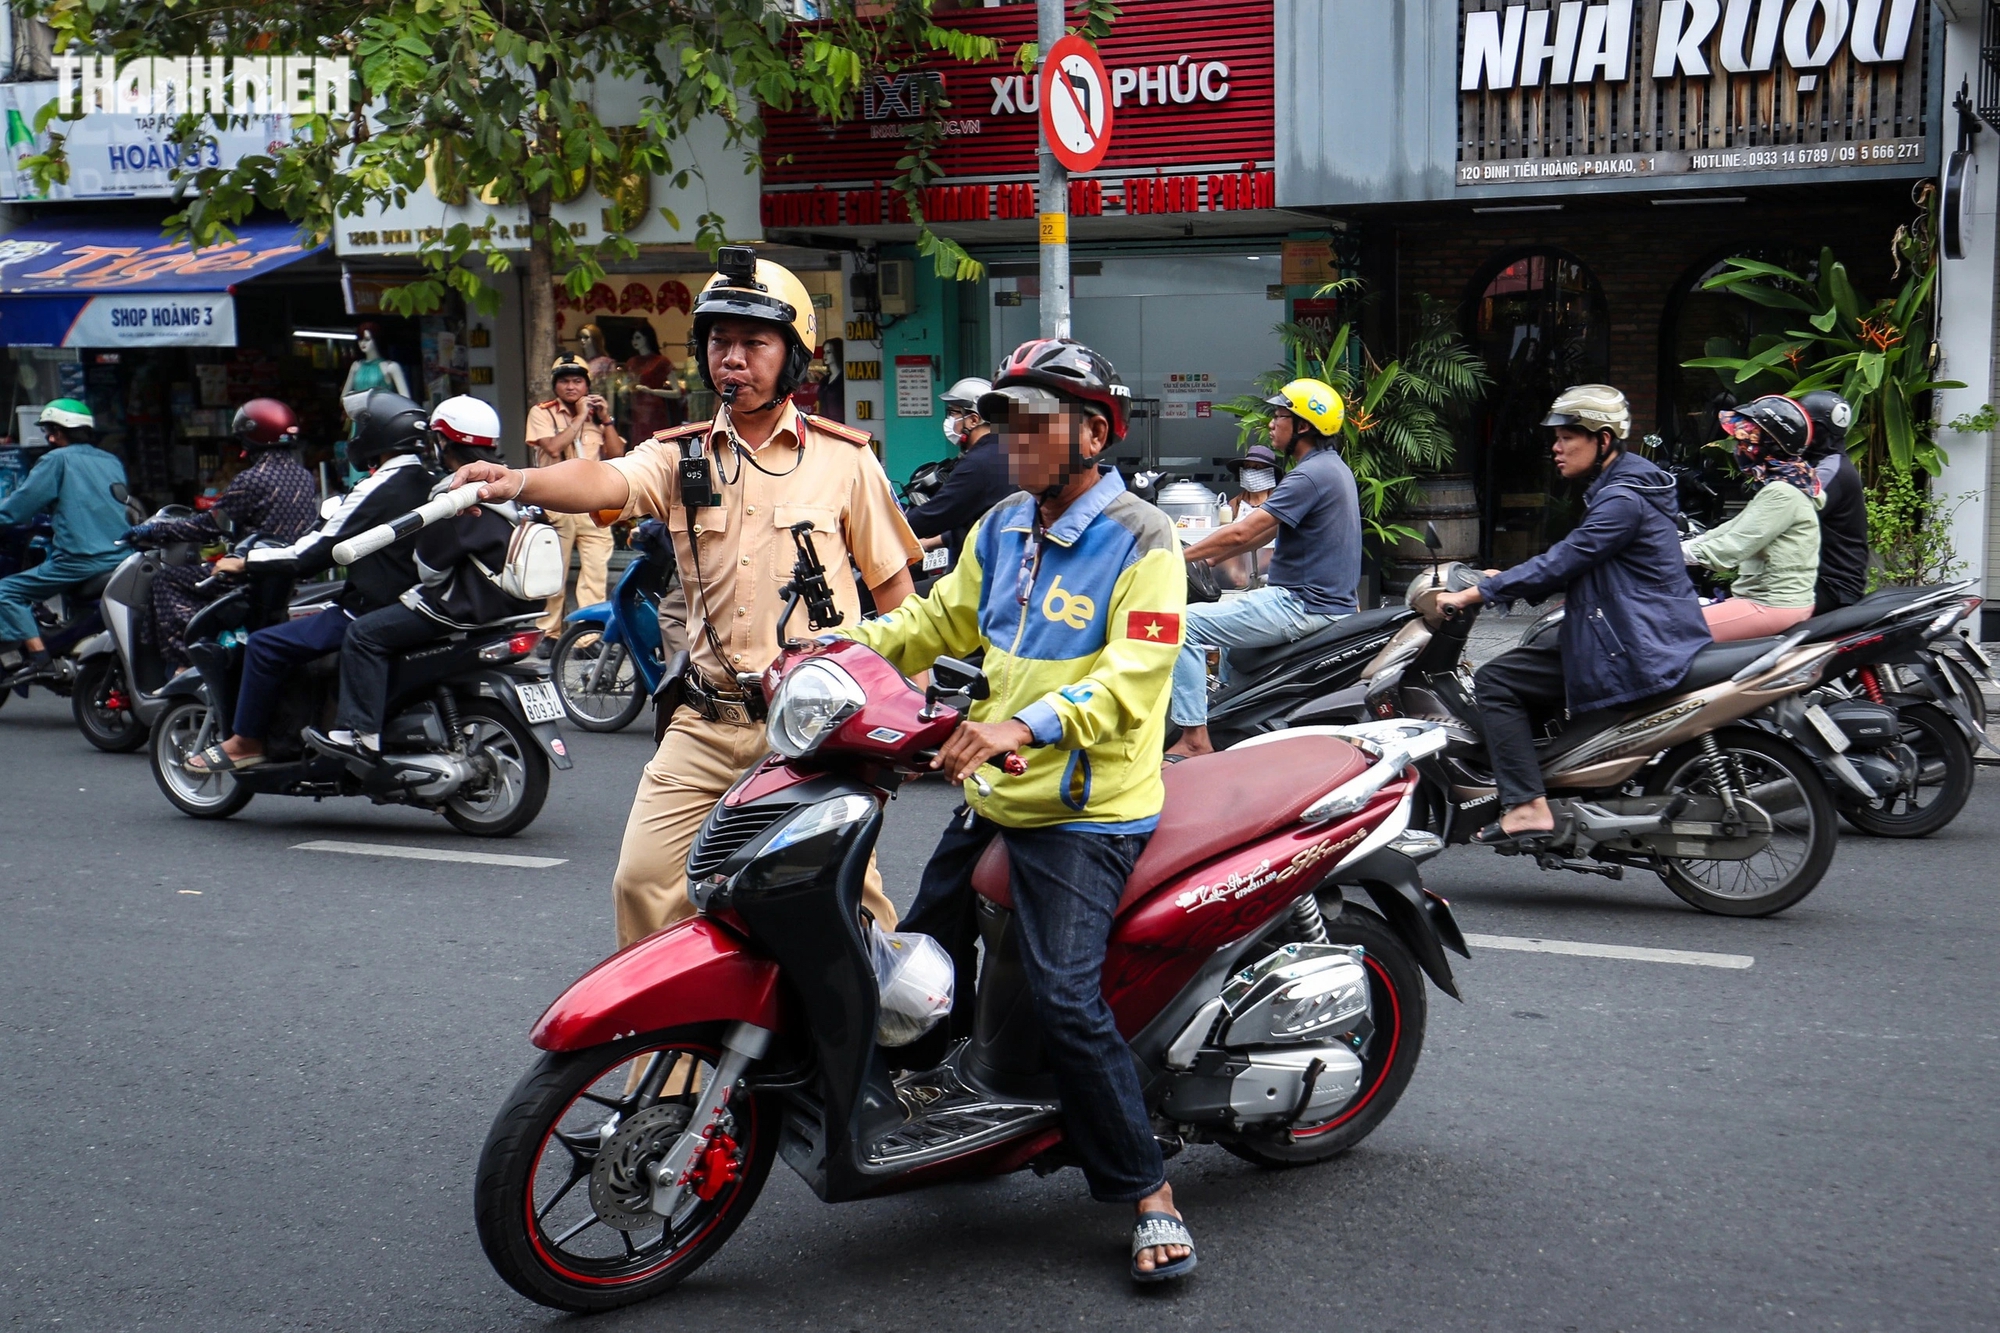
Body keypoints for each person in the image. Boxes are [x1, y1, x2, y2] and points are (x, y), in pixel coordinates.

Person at [835, 337, 1196, 1282]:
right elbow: (934, 621)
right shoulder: (1001, 526)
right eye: (1004, 420)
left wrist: (1021, 726)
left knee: (1068, 996)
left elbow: (1134, 678)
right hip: (994, 788)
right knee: (924, 944)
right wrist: (838, 652)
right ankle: (947, 1100)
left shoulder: (1146, 539)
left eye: (1032, 421)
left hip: (1085, 809)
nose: (1012, 437)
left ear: (1092, 431)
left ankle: (1146, 1189)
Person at [450, 247, 920, 947]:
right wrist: (515, 481)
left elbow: (896, 596)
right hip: (702, 723)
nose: (732, 357)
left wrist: (898, 714)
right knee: (642, 883)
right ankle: (673, 1058)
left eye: (753, 342)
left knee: (848, 901)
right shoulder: (679, 454)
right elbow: (604, 481)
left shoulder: (844, 460)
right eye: (719, 340)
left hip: (811, 731)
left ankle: (875, 1046)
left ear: (794, 355)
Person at [1433, 385, 1711, 845]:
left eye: (1567, 438)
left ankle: (1526, 804)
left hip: (1632, 643)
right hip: (1636, 628)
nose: (1556, 448)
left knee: (1496, 681)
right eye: (1556, 438)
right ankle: (1550, 775)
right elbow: (1582, 561)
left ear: (1603, 440)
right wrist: (1509, 576)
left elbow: (1568, 558)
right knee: (1537, 649)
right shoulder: (1629, 483)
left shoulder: (1622, 498)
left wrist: (1478, 594)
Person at [182, 392, 436, 774]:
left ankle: (245, 742)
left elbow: (311, 553)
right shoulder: (433, 480)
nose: (354, 435)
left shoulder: (377, 487)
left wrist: (245, 562)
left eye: (358, 427)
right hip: (419, 601)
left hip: (373, 606)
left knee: (266, 645)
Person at [307, 397, 542, 762]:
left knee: (364, 634)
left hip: (462, 605)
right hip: (513, 604)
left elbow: (430, 568)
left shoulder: (453, 492)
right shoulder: (510, 483)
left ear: (443, 441)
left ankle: (360, 732)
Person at [1165, 378, 1360, 758]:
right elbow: (1260, 532)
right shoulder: (1330, 469)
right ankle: (1229, 728)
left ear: (1302, 426)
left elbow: (1244, 532)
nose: (1271, 423)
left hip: (1301, 603)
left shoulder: (1310, 475)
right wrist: (1205, 558)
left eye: (1279, 415)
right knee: (1229, 648)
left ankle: (1193, 740)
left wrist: (1172, 557)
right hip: (1319, 601)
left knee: (1181, 625)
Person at [127, 399, 319, 671]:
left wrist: (153, 529)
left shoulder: (252, 479)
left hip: (251, 575)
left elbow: (207, 526)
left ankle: (186, 663)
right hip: (289, 571)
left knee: (166, 580)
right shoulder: (304, 476)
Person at [0, 400, 130, 685]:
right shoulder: (110, 460)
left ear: (59, 432)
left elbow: (18, 508)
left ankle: (39, 659)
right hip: (122, 556)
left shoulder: (56, 460)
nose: (48, 438)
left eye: (50, 431)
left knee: (5, 591)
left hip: (80, 559)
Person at [1682, 394, 1823, 642]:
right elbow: (1734, 527)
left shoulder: (1782, 492)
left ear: (1769, 444)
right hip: (1769, 601)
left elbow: (1733, 545)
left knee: (1669, 628)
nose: (1740, 447)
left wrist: (1668, 554)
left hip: (1770, 603)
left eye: (1748, 440)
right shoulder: (1787, 484)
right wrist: (1687, 542)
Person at [527, 353, 625, 648]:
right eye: (565, 381)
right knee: (553, 572)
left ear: (586, 384)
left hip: (594, 503)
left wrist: (605, 419)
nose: (571, 387)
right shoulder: (542, 413)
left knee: (595, 573)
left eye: (577, 381)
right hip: (556, 502)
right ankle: (549, 633)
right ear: (556, 386)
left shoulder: (598, 416)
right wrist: (580, 417)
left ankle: (588, 638)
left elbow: (617, 455)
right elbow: (554, 447)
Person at [902, 376, 1012, 570]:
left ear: (973, 419)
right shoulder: (1001, 451)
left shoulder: (978, 464)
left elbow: (934, 515)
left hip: (976, 574)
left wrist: (882, 530)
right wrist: (929, 543)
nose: (949, 420)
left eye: (953, 413)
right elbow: (973, 521)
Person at [1799, 390, 1867, 613]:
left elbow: (1791, 515)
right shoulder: (1823, 463)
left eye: (1806, 426)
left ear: (1820, 431)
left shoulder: (1830, 471)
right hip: (1823, 582)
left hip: (1832, 586)